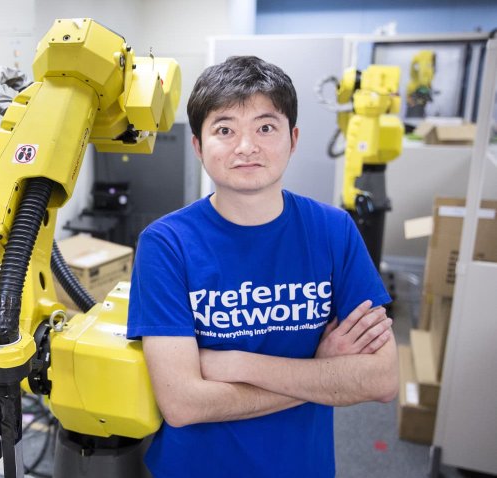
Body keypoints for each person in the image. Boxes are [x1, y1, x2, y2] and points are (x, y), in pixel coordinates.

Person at [127, 55, 399, 478]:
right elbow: (183, 405)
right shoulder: (166, 244)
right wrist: (322, 373)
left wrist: (234, 364)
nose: (246, 146)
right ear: (198, 146)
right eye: (224, 129)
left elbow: (381, 379)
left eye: (265, 127)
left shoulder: (333, 230)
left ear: (292, 138)